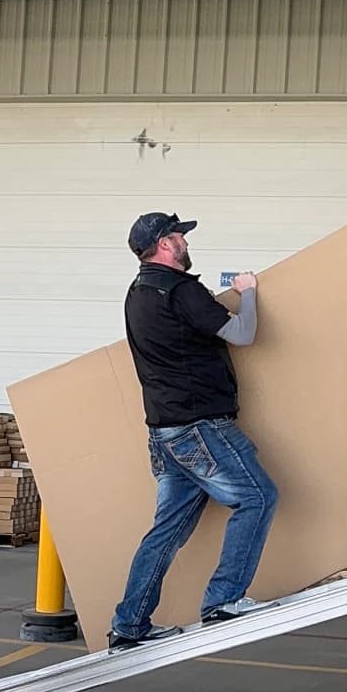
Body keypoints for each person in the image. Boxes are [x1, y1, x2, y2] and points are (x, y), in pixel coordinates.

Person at [108, 211, 277, 647]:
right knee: (258, 497)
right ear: (165, 244)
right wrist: (248, 293)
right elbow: (242, 334)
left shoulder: (137, 292)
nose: (185, 241)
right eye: (179, 235)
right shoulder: (182, 291)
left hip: (164, 433)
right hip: (198, 426)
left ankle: (129, 626)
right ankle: (225, 600)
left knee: (166, 531)